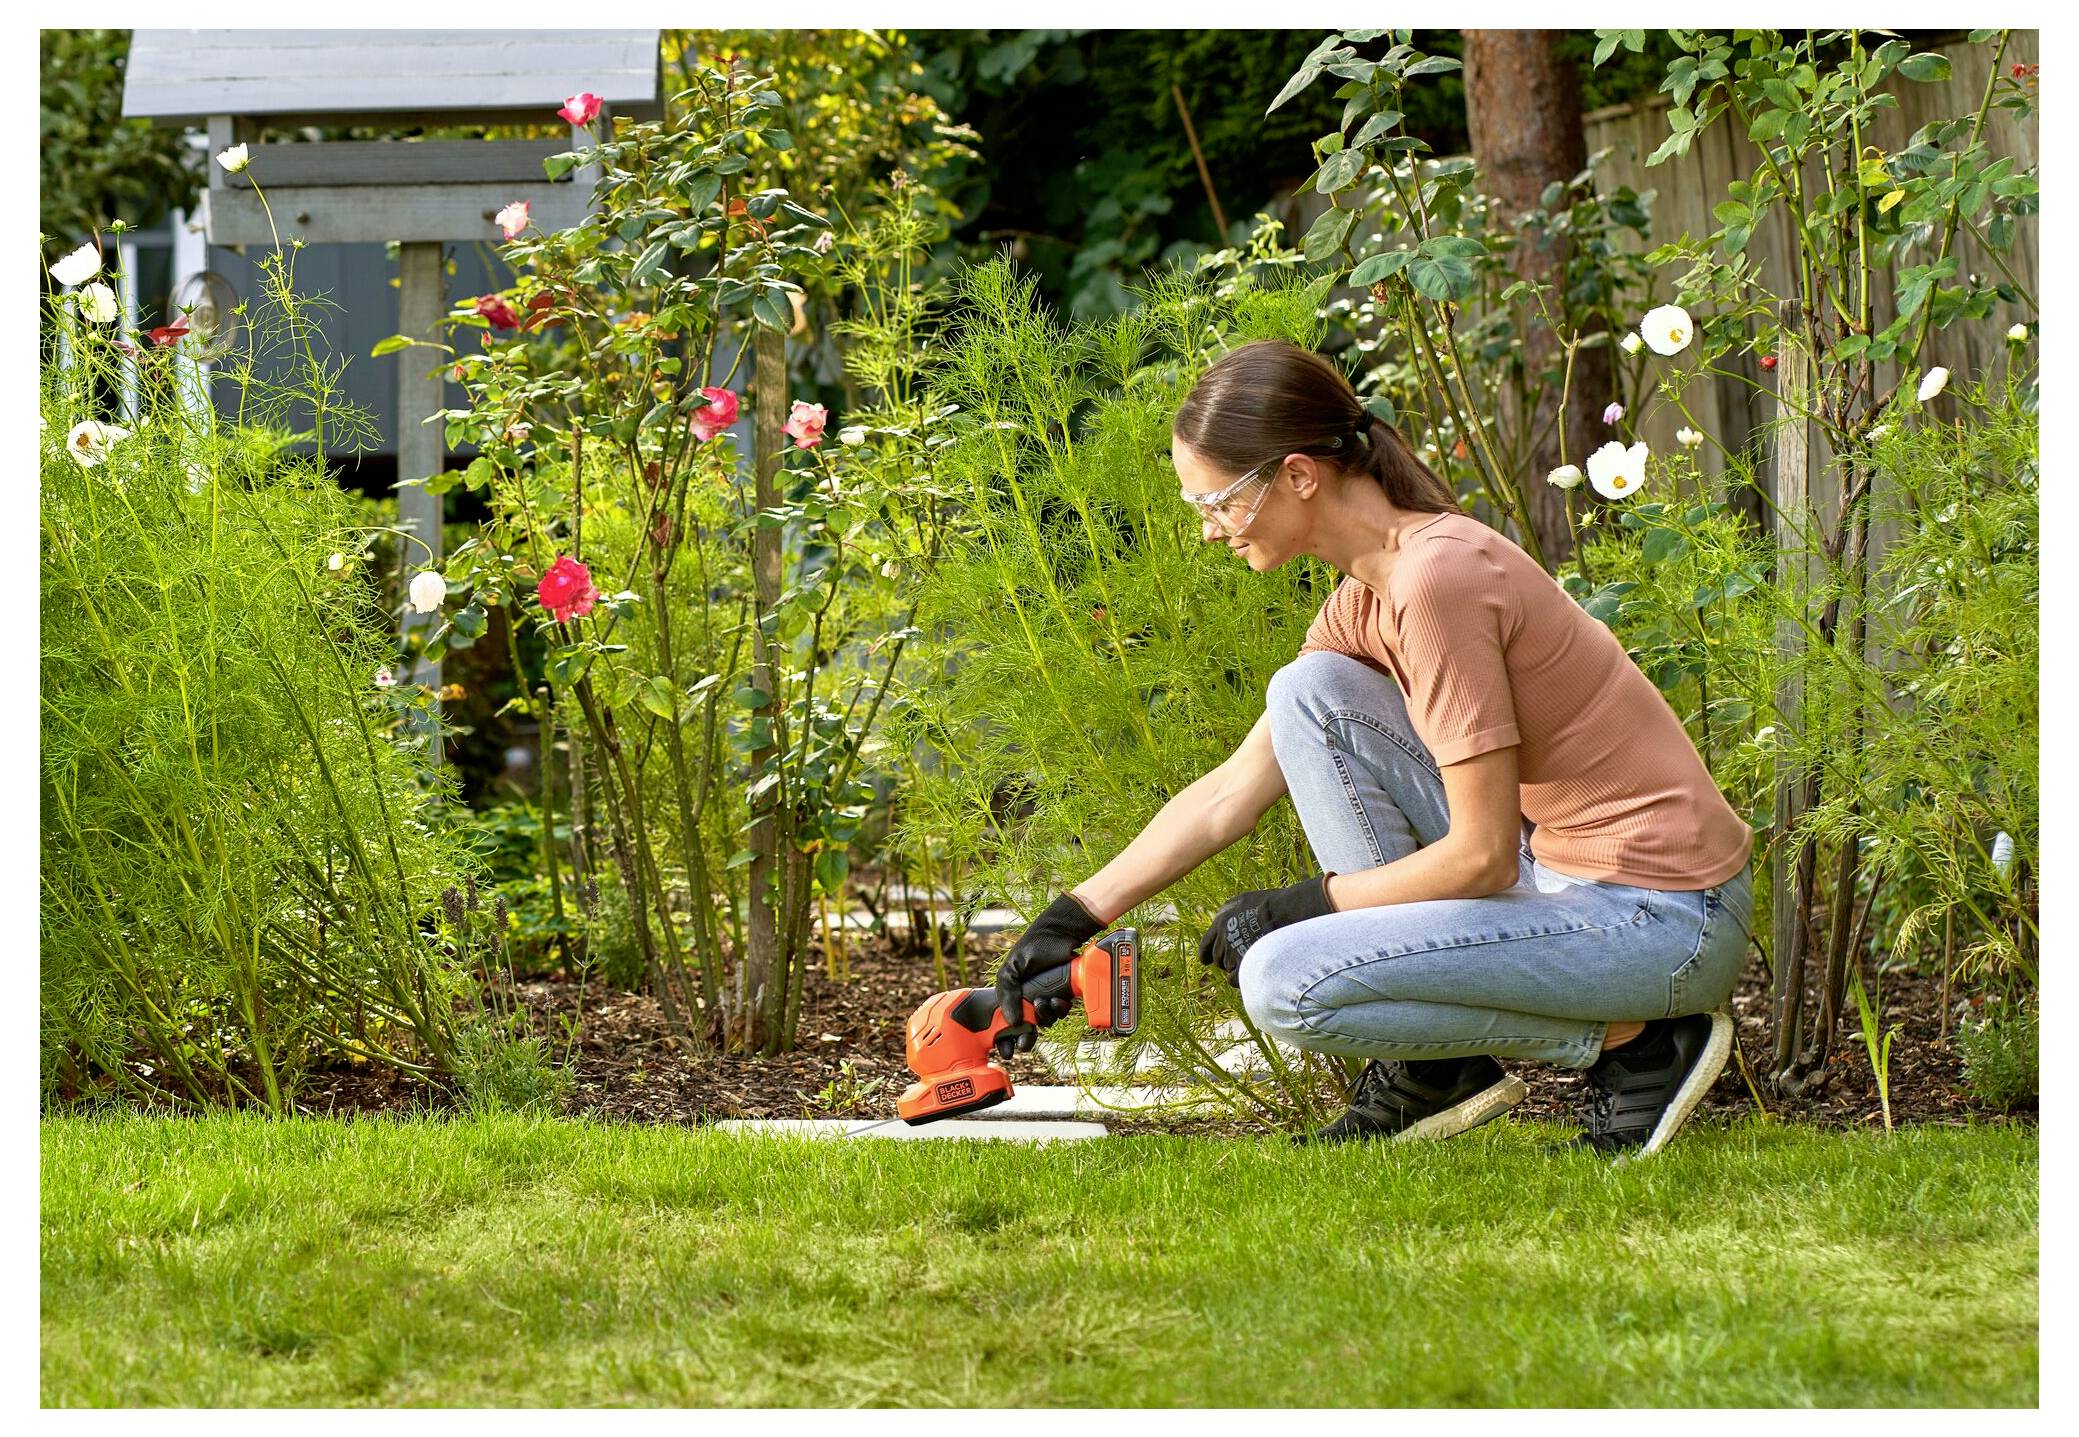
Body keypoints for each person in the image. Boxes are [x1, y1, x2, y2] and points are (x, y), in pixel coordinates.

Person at [992, 338, 1755, 1153]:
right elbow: (1232, 790)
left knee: (1284, 980)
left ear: (1295, 475)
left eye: (1216, 502)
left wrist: (1307, 904)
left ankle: (1638, 1045)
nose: (1208, 531)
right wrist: (1069, 917)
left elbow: (1482, 857)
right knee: (1304, 694)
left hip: (1664, 919)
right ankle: (1435, 1071)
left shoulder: (1436, 584)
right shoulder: (1372, 589)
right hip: (1569, 877)